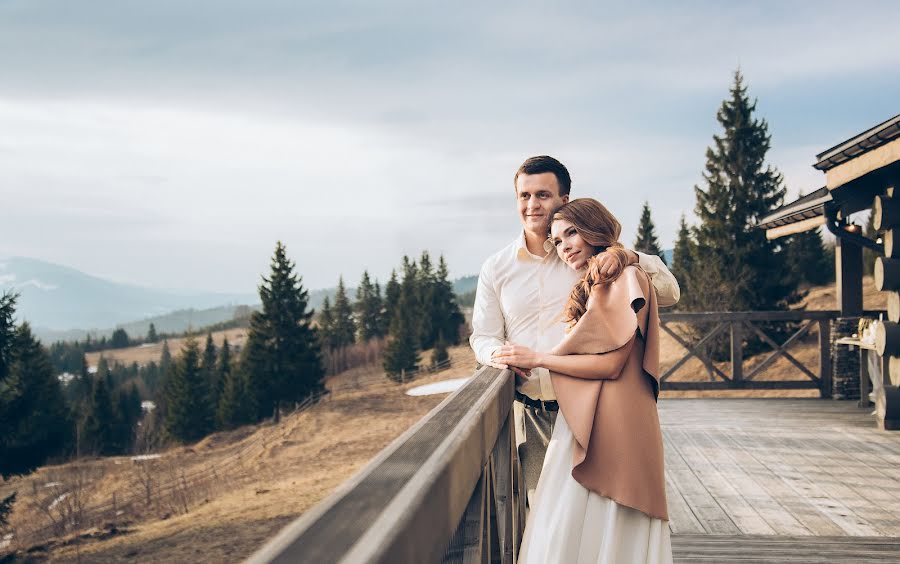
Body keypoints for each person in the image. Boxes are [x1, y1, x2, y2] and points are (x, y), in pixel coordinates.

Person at [469, 156, 679, 508]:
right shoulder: (496, 267)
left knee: (593, 515)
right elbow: (483, 335)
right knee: (539, 518)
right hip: (527, 411)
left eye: (543, 195)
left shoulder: (583, 254)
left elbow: (670, 293)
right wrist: (498, 355)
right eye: (524, 196)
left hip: (590, 411)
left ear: (563, 200)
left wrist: (630, 257)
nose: (532, 205)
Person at [494, 198, 671, 563]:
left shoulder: (623, 276)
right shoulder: (601, 281)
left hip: (618, 420)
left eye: (572, 233)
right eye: (557, 241)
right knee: (570, 520)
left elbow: (609, 365)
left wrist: (539, 358)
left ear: (594, 229)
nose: (565, 246)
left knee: (592, 518)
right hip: (596, 415)